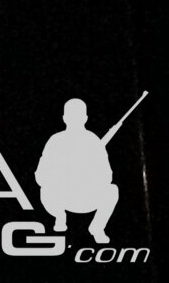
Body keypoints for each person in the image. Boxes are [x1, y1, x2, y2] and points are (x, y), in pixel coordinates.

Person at [35, 98, 120, 245]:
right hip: (61, 198)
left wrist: (88, 174)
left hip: (87, 197)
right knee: (45, 189)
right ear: (65, 118)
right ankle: (59, 216)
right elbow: (41, 175)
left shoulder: (94, 141)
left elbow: (107, 176)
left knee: (112, 190)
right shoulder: (56, 141)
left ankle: (97, 227)